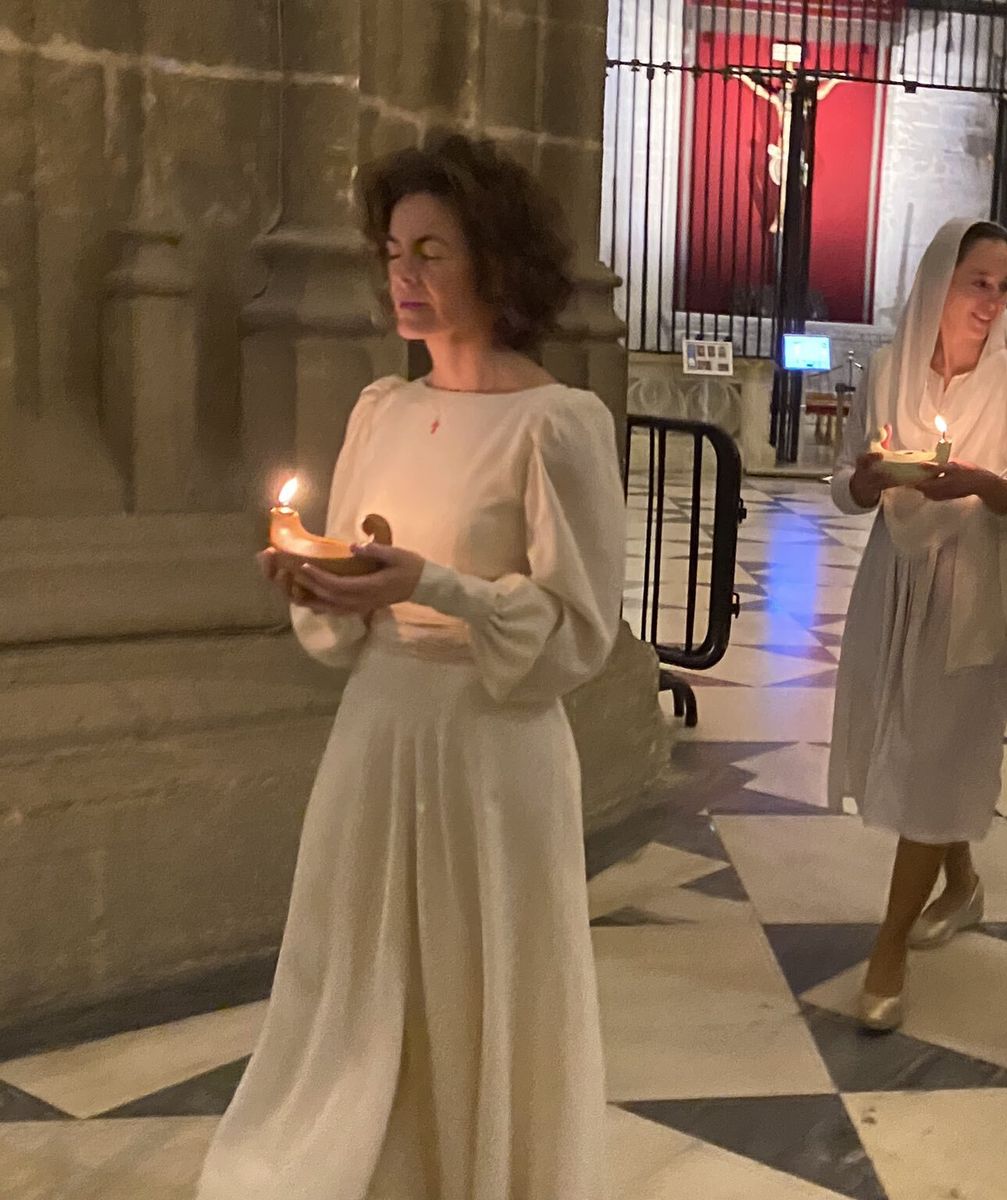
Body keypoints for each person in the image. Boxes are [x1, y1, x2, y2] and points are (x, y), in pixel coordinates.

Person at [196, 133, 624, 1199]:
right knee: (356, 977)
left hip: (493, 753)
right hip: (379, 733)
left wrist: (434, 585)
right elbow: (357, 586)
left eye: (432, 252)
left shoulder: (557, 424)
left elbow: (577, 632)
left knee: (481, 987)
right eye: (394, 252)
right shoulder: (380, 409)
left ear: (498, 262)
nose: (404, 275)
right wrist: (321, 585)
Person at [829, 218, 1007, 1031]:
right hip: (897, 582)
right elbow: (845, 478)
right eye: (978, 282)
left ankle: (889, 947)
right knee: (920, 744)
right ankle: (962, 883)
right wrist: (869, 483)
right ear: (940, 282)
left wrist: (980, 484)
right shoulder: (888, 369)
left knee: (938, 755)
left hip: (976, 592)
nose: (992, 301)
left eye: (1004, 286)